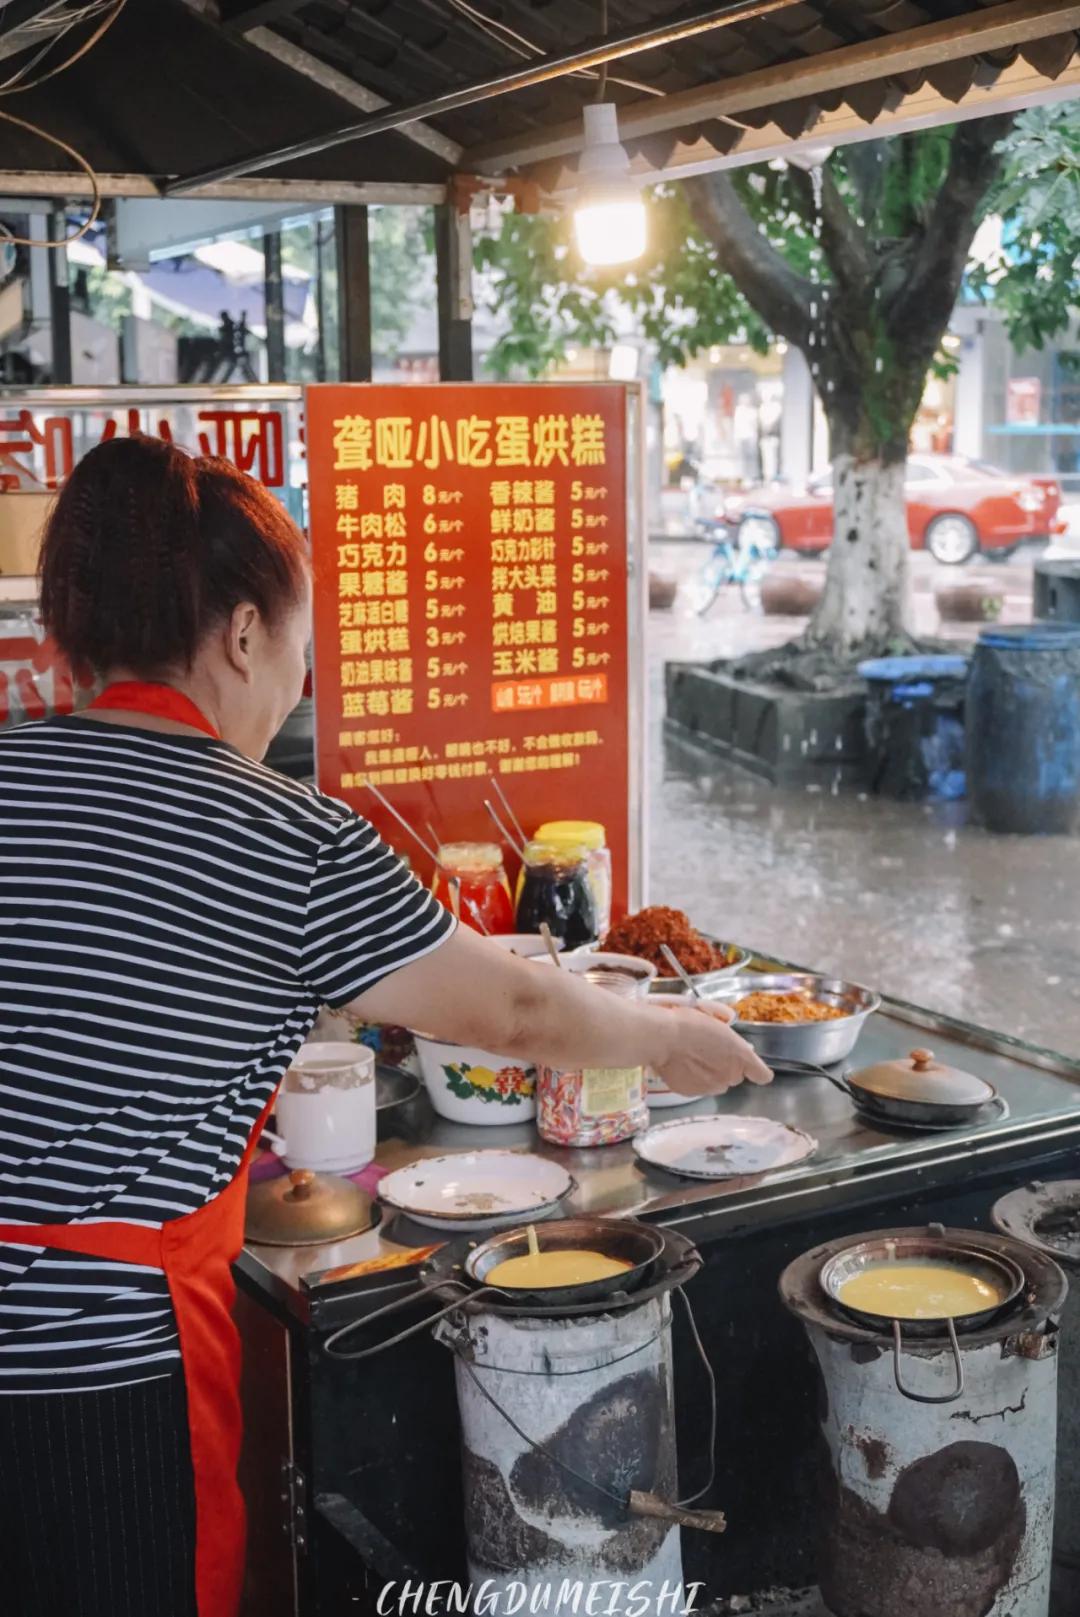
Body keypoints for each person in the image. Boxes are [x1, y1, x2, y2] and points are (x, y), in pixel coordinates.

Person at [0, 435, 770, 1617]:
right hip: (100, 1373)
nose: (300, 688)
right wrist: (656, 1032)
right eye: (301, 646)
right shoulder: (282, 836)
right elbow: (512, 1003)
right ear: (247, 633)